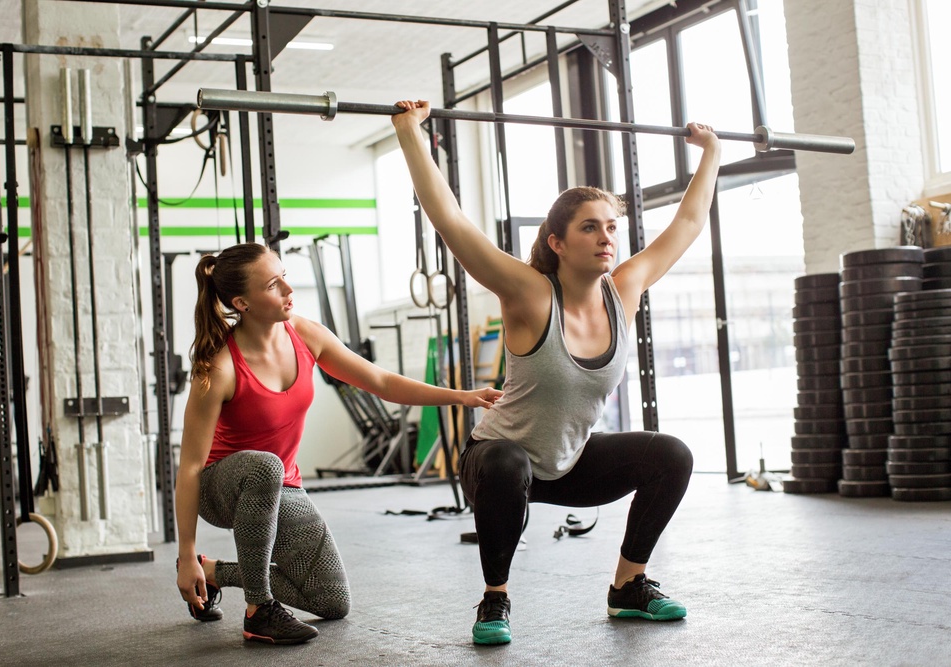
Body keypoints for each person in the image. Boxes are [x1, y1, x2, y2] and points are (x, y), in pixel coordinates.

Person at [392, 100, 721, 645]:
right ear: (557, 243)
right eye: (590, 228)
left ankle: (628, 586)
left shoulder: (626, 289)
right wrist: (410, 133)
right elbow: (450, 221)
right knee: (505, 458)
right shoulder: (528, 292)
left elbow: (687, 223)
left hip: (568, 463)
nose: (606, 238)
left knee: (671, 455)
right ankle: (494, 598)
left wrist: (710, 154)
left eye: (611, 227)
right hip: (496, 462)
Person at [175, 242, 502, 645]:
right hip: (221, 488)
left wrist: (462, 396)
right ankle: (259, 610)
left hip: (281, 486)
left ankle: (216, 573)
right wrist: (185, 551)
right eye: (273, 285)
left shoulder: (306, 335)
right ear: (242, 302)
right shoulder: (220, 367)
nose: (288, 291)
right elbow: (190, 467)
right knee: (266, 466)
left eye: (285, 277)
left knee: (331, 601)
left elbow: (380, 382)